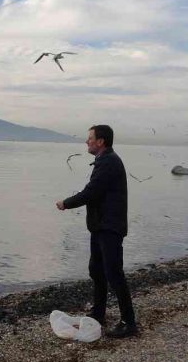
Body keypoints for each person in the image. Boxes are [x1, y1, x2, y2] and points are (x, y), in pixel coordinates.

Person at [56, 125, 137, 338]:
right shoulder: (104, 160)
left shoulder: (109, 162)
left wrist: (66, 203)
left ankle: (129, 323)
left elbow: (91, 192)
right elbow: (95, 192)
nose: (87, 142)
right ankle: (98, 314)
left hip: (109, 228)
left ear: (100, 141)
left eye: (90, 138)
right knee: (97, 270)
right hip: (100, 227)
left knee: (114, 273)